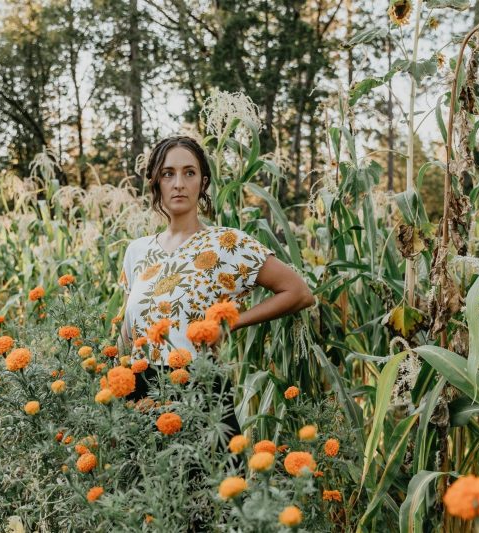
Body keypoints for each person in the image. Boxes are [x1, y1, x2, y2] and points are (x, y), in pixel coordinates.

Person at [114, 134, 314, 527]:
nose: (179, 183)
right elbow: (126, 327)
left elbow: (298, 291)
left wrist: (230, 322)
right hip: (140, 392)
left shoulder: (225, 243)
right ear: (155, 181)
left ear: (203, 182)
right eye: (168, 173)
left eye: (189, 173)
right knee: (149, 511)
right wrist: (116, 378)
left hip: (199, 390)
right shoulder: (137, 251)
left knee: (212, 512)